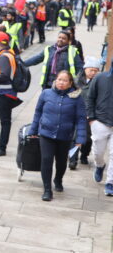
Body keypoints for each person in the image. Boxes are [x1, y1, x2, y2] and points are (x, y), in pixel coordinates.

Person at [28, 71, 86, 201]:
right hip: (46, 133)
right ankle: (47, 189)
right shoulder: (46, 93)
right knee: (46, 160)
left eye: (65, 80)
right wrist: (33, 130)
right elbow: (38, 113)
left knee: (61, 162)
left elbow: (81, 119)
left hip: (65, 136)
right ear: (55, 80)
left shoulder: (76, 98)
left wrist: (80, 138)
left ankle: (58, 179)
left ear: (70, 83)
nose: (61, 82)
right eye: (59, 79)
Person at [87, 62, 113, 196]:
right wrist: (91, 119)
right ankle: (99, 165)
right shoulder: (100, 78)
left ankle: (110, 182)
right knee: (98, 152)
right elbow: (90, 97)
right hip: (100, 121)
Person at [72, 57, 99, 169]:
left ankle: (84, 154)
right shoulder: (76, 80)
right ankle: (72, 159)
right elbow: (72, 95)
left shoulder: (98, 83)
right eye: (90, 70)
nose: (92, 73)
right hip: (76, 112)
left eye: (95, 70)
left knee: (88, 138)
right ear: (85, 69)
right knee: (74, 136)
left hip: (90, 114)